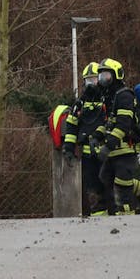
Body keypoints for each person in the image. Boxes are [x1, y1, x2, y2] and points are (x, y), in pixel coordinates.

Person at [91, 58, 140, 215]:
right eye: (101, 76)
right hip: (114, 150)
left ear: (117, 75)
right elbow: (109, 123)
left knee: (122, 185)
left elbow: (123, 124)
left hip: (126, 149)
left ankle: (126, 218)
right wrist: (96, 136)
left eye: (107, 76)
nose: (103, 80)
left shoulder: (124, 96)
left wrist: (107, 146)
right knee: (105, 178)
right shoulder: (110, 97)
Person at [58, 62, 108, 216]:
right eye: (87, 80)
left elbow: (111, 123)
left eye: (93, 80)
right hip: (88, 156)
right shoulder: (80, 103)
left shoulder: (107, 100)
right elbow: (72, 125)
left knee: (110, 188)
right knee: (92, 191)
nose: (91, 84)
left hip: (107, 154)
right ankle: (99, 221)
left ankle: (116, 218)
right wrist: (68, 148)